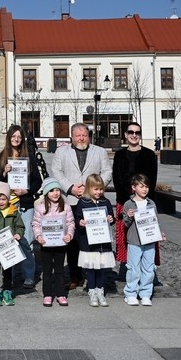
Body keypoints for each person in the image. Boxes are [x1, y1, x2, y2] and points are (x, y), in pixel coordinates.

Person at [49, 122, 112, 290]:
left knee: (94, 241)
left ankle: (94, 276)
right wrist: (70, 188)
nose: (82, 138)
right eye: (78, 135)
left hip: (93, 204)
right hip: (70, 201)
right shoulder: (61, 152)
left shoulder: (99, 152)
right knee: (73, 242)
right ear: (72, 137)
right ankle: (75, 276)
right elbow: (56, 171)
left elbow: (107, 172)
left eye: (84, 134)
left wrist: (93, 189)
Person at [0, 124, 42, 289]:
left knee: (26, 240)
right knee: (8, 241)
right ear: (9, 138)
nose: (16, 139)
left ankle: (28, 275)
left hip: (25, 204)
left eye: (19, 137)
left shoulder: (29, 157)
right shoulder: (1, 157)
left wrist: (27, 190)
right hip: (7, 206)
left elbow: (38, 181)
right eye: (14, 136)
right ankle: (10, 276)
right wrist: (4, 173)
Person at [112, 122, 159, 269]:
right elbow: (117, 179)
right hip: (125, 202)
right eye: (131, 132)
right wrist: (130, 200)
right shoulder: (119, 155)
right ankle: (129, 268)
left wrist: (142, 198)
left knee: (146, 236)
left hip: (144, 202)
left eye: (137, 133)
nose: (134, 135)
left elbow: (152, 179)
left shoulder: (149, 155)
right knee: (125, 236)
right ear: (126, 135)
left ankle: (146, 267)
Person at [72, 174, 116, 308]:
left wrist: (110, 219)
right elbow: (76, 219)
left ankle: (100, 290)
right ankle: (92, 291)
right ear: (89, 189)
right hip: (88, 242)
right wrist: (81, 222)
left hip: (102, 242)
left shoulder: (105, 202)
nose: (99, 192)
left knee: (101, 269)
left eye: (101, 189)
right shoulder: (83, 202)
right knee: (91, 268)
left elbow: (112, 218)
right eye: (95, 189)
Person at [121, 174, 165, 306]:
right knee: (133, 268)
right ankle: (131, 293)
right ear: (134, 188)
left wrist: (160, 233)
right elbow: (125, 223)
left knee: (149, 268)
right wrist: (128, 216)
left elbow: (155, 221)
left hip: (149, 241)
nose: (144, 189)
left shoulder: (151, 203)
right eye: (141, 186)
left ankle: (145, 293)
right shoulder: (129, 204)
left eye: (146, 186)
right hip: (135, 241)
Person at [32, 177, 75, 307]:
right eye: (51, 190)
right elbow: (36, 224)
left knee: (60, 270)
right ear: (46, 193)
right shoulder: (40, 208)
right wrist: (38, 236)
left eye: (57, 190)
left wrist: (69, 235)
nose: (55, 193)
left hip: (61, 244)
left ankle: (61, 293)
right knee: (47, 270)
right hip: (46, 244)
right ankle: (48, 294)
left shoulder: (66, 207)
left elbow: (70, 223)